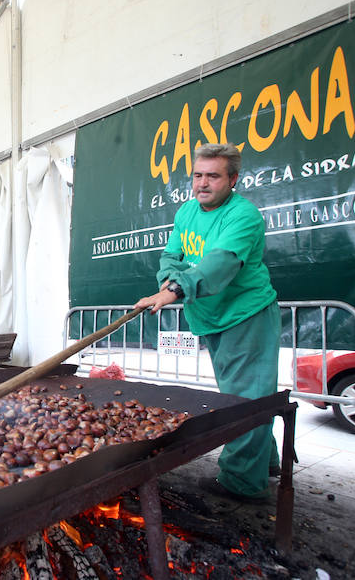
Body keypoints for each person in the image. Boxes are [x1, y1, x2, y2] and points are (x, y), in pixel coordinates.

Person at [133, 143, 280, 503]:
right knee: (244, 395)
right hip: (210, 317)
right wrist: (169, 278)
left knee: (244, 401)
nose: (203, 183)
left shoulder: (243, 216)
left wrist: (173, 290)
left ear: (232, 179)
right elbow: (172, 254)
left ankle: (242, 482)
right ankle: (267, 462)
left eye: (213, 176)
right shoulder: (186, 212)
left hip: (245, 317)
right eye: (198, 175)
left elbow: (220, 264)